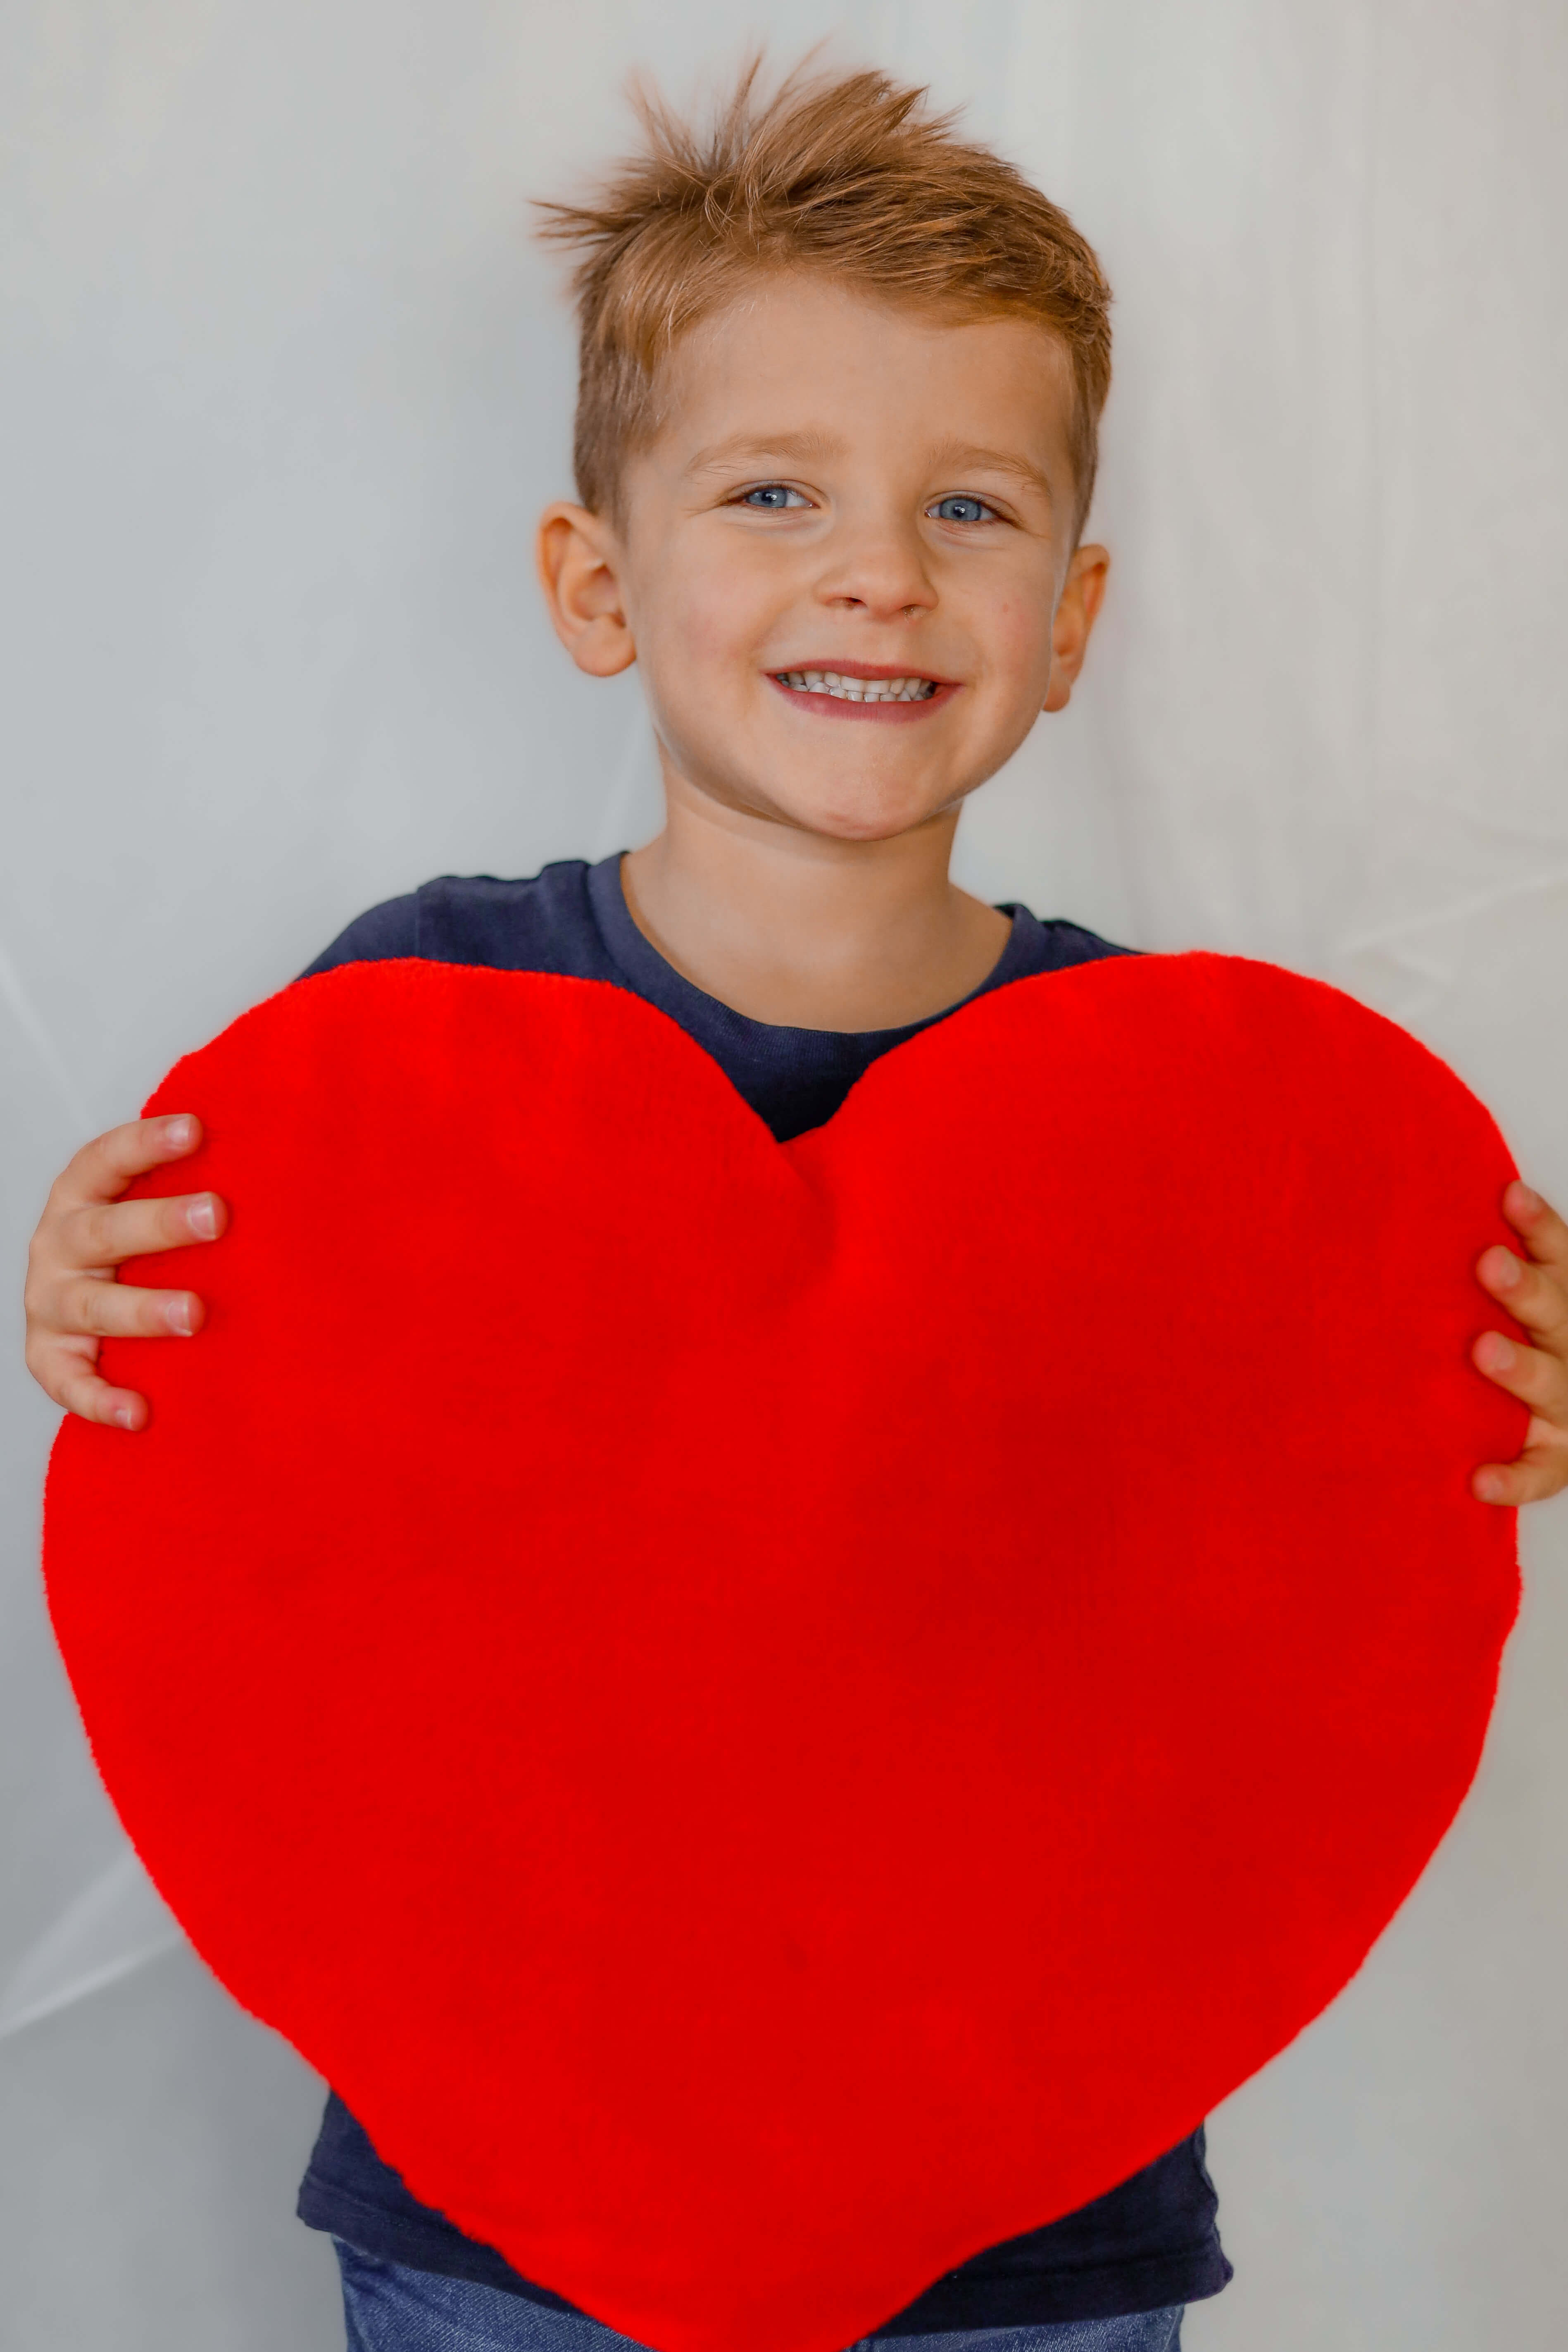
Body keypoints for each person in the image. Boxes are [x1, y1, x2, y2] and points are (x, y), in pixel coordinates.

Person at [21, 56, 1568, 2352]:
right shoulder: (399, 1043)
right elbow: (260, 1491)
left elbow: (1289, 1551)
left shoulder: (1214, 1149)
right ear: (593, 579)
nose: (876, 569)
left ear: (1069, 618)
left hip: (1031, 2246)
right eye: (773, 489)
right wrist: (76, 1293)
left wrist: (1485, 1392)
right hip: (499, 2235)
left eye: (971, 508)